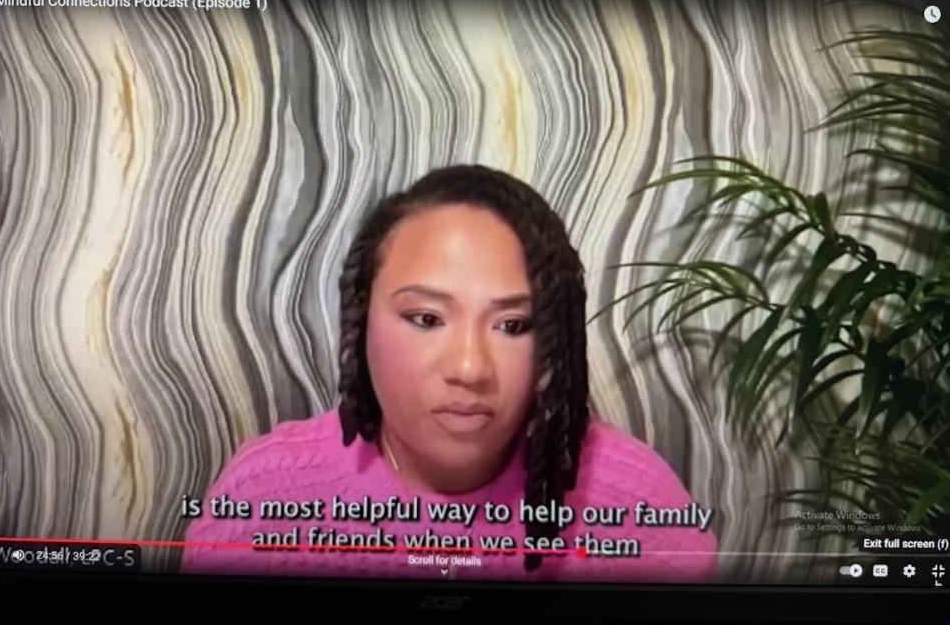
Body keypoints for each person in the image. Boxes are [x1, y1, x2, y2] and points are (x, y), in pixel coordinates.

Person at [180, 164, 718, 582]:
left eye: (513, 325)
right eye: (426, 319)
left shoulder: (638, 505)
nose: (469, 368)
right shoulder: (263, 498)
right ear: (360, 323)